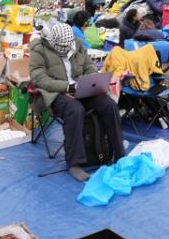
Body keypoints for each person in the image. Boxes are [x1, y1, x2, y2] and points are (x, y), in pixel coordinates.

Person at [29, 22, 123, 182]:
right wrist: (67, 87)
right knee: (75, 109)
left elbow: (89, 67)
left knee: (109, 105)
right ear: (52, 41)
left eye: (68, 46)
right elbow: (39, 78)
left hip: (81, 88)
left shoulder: (77, 46)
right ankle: (74, 163)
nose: (66, 49)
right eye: (62, 46)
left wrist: (93, 80)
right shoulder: (39, 49)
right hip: (55, 92)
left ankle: (119, 154)